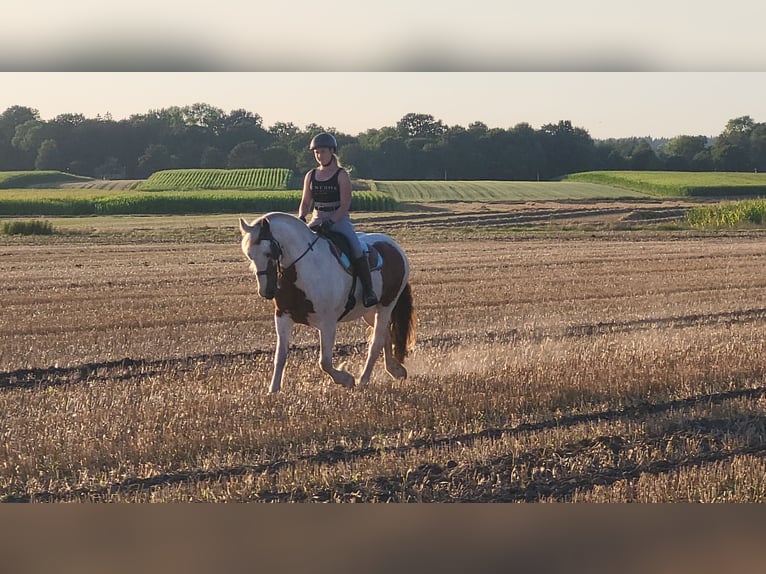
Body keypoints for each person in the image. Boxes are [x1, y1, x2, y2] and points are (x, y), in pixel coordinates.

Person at [297, 132, 378, 307]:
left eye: (323, 151)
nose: (319, 155)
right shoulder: (310, 175)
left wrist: (332, 221)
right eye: (316, 152)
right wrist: (302, 217)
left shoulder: (341, 175)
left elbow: (345, 204)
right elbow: (305, 201)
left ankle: (368, 290)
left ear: (332, 151)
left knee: (356, 248)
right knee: (300, 247)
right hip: (317, 218)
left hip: (339, 219)